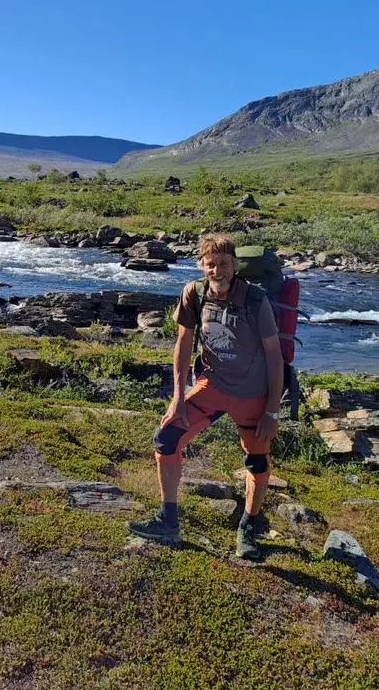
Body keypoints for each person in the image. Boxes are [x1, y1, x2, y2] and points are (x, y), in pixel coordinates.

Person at [127, 233, 284, 560]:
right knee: (166, 439)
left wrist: (272, 412)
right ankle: (168, 520)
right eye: (211, 265)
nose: (218, 271)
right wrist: (177, 397)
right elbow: (183, 345)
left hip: (253, 395)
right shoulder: (194, 294)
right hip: (211, 387)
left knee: (256, 461)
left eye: (224, 264)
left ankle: (248, 527)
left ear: (235, 265)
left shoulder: (255, 300)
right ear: (201, 265)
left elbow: (274, 356)